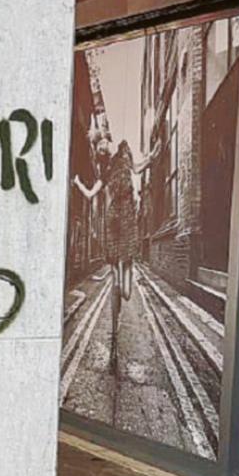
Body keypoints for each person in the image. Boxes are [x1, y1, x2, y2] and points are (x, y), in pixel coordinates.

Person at [74, 132, 160, 374]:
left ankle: (123, 272)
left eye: (100, 143)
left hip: (128, 219)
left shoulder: (124, 151)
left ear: (108, 141)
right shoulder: (104, 171)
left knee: (126, 291)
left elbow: (137, 168)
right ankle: (114, 333)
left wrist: (152, 157)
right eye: (97, 146)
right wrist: (78, 183)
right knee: (115, 283)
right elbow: (91, 194)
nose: (100, 147)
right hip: (113, 223)